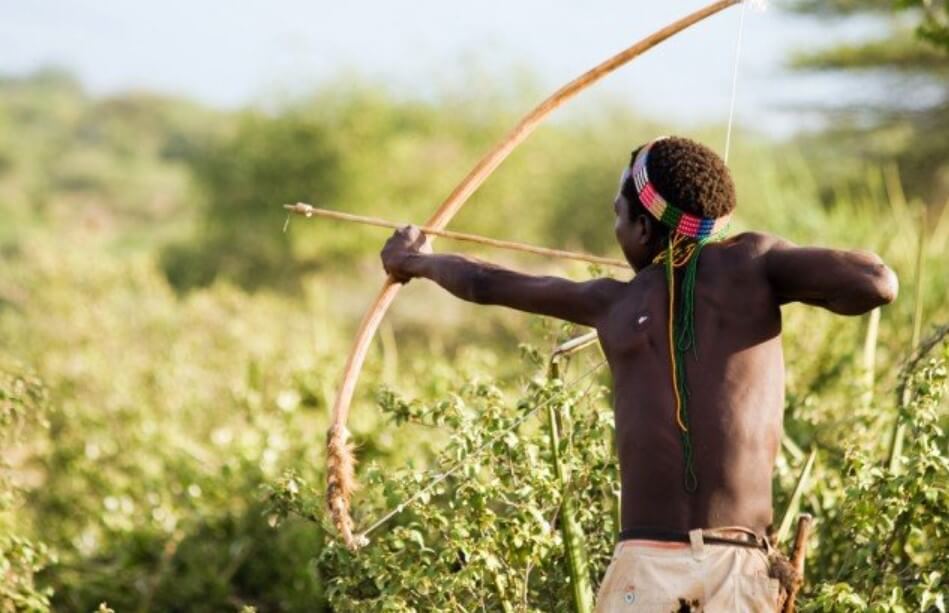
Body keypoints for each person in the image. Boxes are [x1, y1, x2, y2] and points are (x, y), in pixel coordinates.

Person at [380, 136, 898, 611]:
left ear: (644, 227)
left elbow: (482, 281)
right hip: (732, 569)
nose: (617, 230)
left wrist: (415, 261)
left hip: (650, 572)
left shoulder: (619, 301)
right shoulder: (751, 266)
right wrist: (761, 263)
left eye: (618, 217)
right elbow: (876, 281)